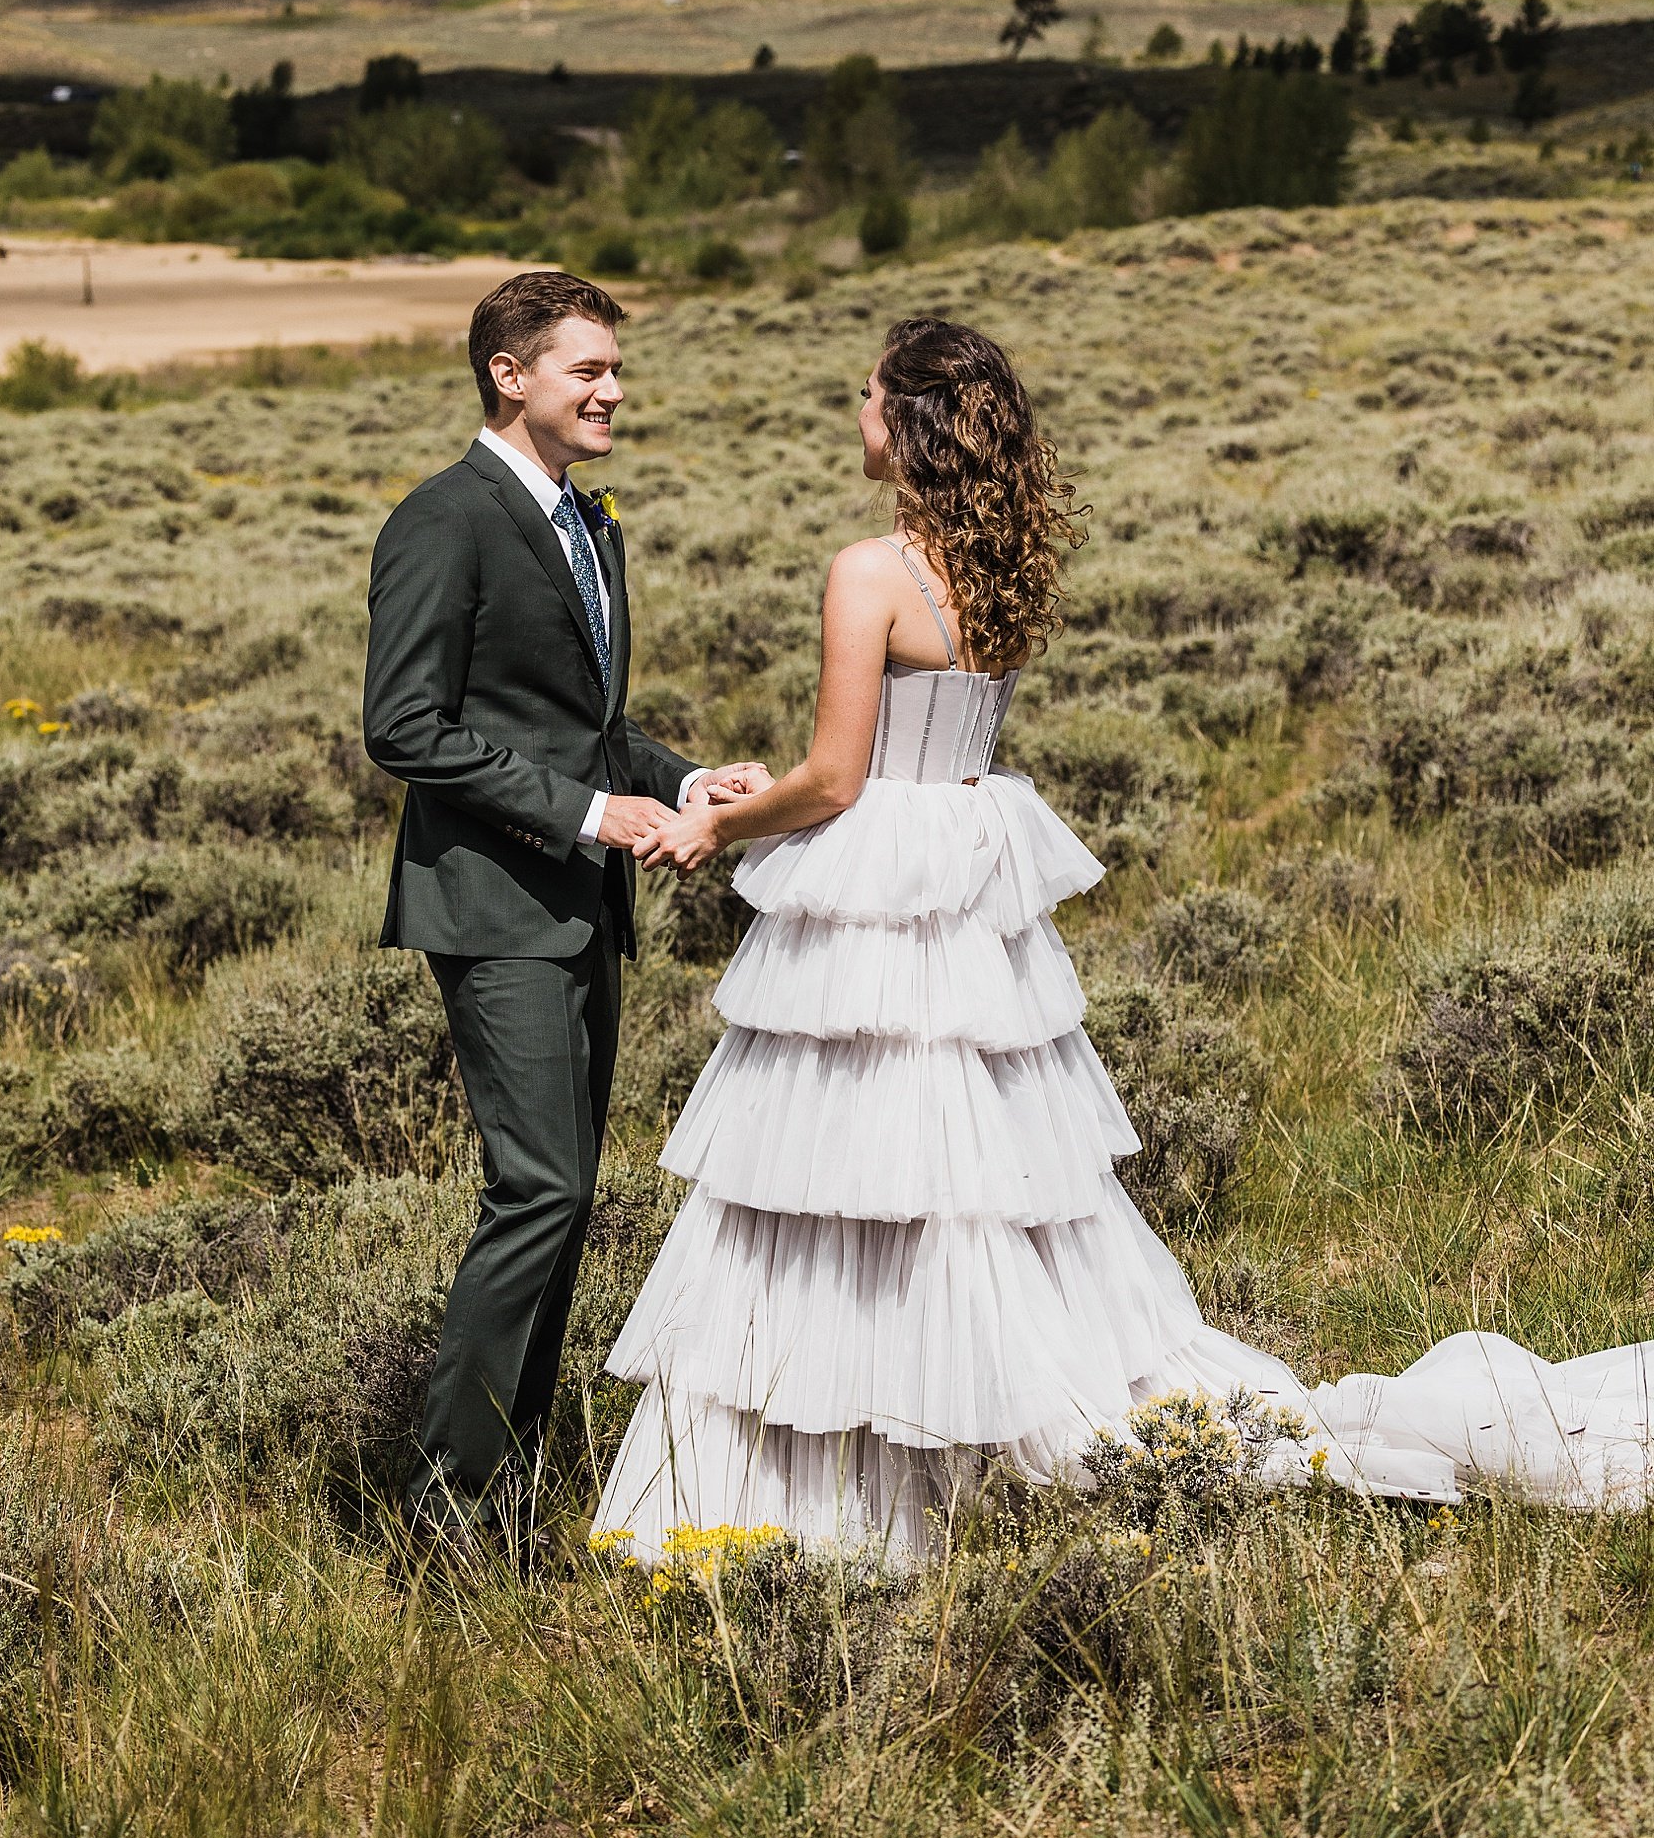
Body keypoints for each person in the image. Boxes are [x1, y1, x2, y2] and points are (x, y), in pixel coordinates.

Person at [600, 315, 1654, 1558]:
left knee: (848, 1179)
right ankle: (972, 1435)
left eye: (872, 395)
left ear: (913, 419)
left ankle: (849, 1480)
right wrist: (757, 788)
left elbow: (835, 782)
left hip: (885, 890)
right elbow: (899, 759)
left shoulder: (869, 570)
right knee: (970, 1181)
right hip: (962, 871)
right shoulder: (994, 565)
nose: (859, 413)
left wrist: (716, 829)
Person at [362, 268, 770, 1548]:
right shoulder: (445, 520)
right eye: (586, 370)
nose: (611, 391)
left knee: (569, 1193)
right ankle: (446, 1509)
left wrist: (680, 779)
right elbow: (404, 729)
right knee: (540, 1190)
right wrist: (594, 816)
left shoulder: (590, 525)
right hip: (492, 908)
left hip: (579, 909)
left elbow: (586, 728)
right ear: (510, 374)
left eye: (613, 370)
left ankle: (510, 1491)